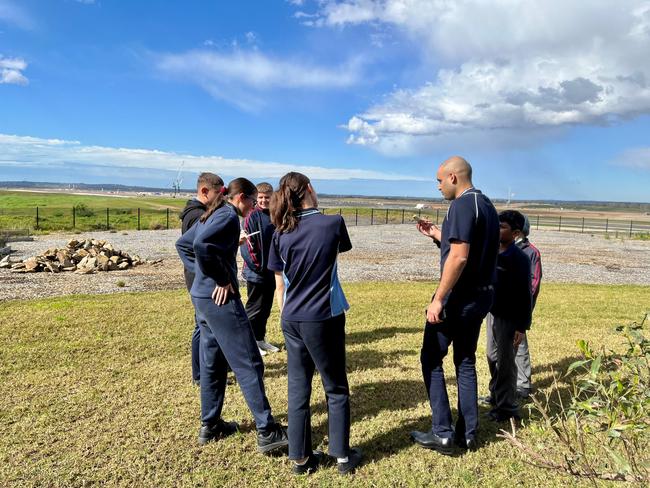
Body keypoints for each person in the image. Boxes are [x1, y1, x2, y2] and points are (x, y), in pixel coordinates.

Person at [176, 177, 288, 451]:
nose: (253, 206)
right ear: (241, 197)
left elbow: (183, 245)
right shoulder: (227, 216)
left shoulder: (212, 213)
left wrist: (203, 276)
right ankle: (267, 431)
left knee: (212, 363)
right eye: (252, 200)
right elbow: (201, 248)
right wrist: (222, 278)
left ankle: (210, 425)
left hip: (201, 298)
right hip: (220, 300)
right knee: (249, 363)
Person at [267, 172, 363, 475]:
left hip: (291, 317)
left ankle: (300, 459)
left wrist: (286, 314)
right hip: (324, 317)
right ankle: (342, 457)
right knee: (335, 387)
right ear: (309, 189)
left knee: (298, 389)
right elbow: (335, 254)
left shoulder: (279, 232)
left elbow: (279, 285)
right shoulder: (332, 223)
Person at [411, 156, 499, 454]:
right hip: (481, 297)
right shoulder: (485, 203)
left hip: (459, 299)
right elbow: (470, 249)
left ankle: (442, 433)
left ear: (453, 177)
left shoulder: (461, 205)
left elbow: (460, 257)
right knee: (465, 360)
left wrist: (438, 299)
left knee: (431, 358)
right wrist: (438, 235)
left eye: (439, 180)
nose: (437, 187)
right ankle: (469, 433)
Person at [484, 210, 532, 422]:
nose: (497, 229)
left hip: (510, 318)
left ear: (515, 233)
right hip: (492, 313)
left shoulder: (519, 258)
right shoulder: (492, 252)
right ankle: (496, 394)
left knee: (506, 363)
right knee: (491, 356)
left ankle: (507, 407)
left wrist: (521, 327)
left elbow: (525, 295)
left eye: (502, 227)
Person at [179, 172, 224, 385]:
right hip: (200, 279)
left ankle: (206, 372)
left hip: (199, 277)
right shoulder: (196, 216)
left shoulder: (198, 212)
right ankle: (201, 374)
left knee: (204, 325)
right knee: (203, 326)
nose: (221, 198)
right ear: (204, 191)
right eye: (218, 193)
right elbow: (198, 248)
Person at [240, 182, 280, 356]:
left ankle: (259, 339)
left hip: (272, 271)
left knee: (266, 308)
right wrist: (258, 267)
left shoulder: (275, 215)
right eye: (261, 198)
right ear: (256, 198)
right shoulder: (251, 216)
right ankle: (249, 344)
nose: (264, 200)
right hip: (257, 273)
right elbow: (247, 247)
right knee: (254, 308)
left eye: (267, 197)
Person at [513, 215, 542, 398]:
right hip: (501, 305)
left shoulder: (531, 252)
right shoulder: (502, 248)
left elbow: (534, 282)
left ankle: (523, 385)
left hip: (519, 305)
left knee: (519, 344)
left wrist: (524, 306)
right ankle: (500, 387)